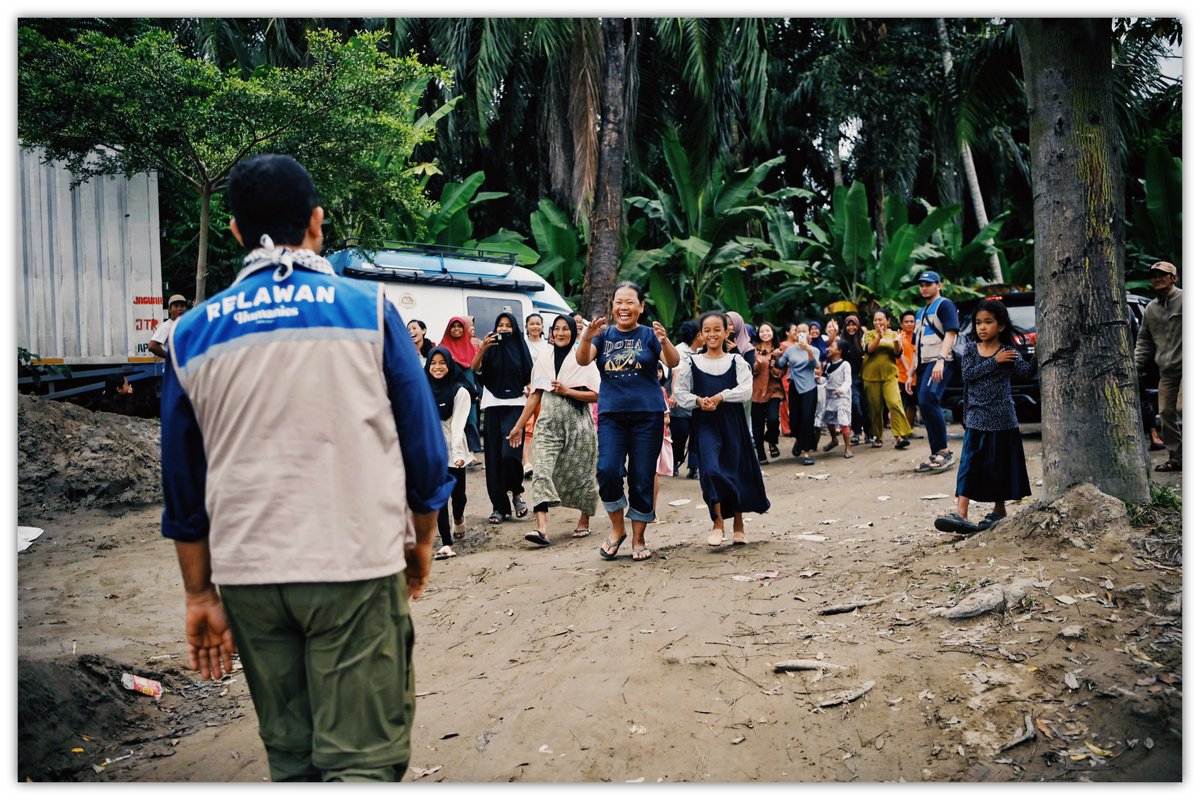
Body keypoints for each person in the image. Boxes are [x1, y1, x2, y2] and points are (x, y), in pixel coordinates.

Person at [160, 153, 453, 782]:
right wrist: (422, 539)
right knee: (362, 764)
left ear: (235, 232)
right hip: (352, 566)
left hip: (248, 578)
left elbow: (183, 486)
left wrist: (197, 594)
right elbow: (425, 450)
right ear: (317, 222)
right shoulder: (369, 310)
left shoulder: (190, 334)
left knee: (293, 760)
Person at [577, 282, 680, 562]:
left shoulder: (648, 335)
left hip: (648, 415)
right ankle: (618, 529)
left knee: (642, 476)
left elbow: (673, 360)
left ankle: (639, 538)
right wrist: (587, 337)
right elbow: (583, 360)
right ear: (613, 307)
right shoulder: (604, 334)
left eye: (630, 302)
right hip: (612, 415)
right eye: (618, 302)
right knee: (608, 470)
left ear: (641, 307)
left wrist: (665, 340)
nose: (624, 307)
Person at [934, 300, 1034, 534]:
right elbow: (968, 375)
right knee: (969, 464)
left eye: (988, 322)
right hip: (976, 416)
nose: (982, 327)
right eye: (979, 322)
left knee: (999, 465)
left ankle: (999, 511)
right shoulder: (970, 348)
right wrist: (994, 362)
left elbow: (1026, 372)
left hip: (1003, 418)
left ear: (1000, 326)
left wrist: (1038, 353)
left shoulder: (1008, 352)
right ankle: (961, 513)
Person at [674, 311, 769, 547]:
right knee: (710, 471)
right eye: (707, 330)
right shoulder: (691, 362)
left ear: (727, 333)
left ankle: (738, 524)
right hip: (705, 424)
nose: (712, 334)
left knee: (733, 471)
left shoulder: (736, 361)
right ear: (701, 334)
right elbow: (680, 392)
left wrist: (720, 396)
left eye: (718, 329)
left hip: (732, 423)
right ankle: (717, 523)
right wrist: (698, 401)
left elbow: (746, 390)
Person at [506, 314, 600, 546]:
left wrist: (568, 391)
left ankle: (584, 520)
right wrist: (518, 425)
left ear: (573, 332)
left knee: (583, 475)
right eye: (556, 329)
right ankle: (542, 529)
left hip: (578, 425)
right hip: (548, 424)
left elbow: (597, 394)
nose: (560, 333)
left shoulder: (583, 357)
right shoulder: (544, 358)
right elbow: (536, 394)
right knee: (541, 472)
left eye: (565, 329)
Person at [471, 312, 534, 524]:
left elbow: (529, 374)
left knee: (510, 456)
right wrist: (482, 349)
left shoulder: (520, 347)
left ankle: (516, 492)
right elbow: (475, 369)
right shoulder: (489, 347)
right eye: (500, 325)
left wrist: (529, 387)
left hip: (516, 407)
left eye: (508, 325)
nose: (504, 329)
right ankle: (499, 506)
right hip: (492, 407)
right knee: (494, 460)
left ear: (515, 328)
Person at [906, 270, 959, 472]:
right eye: (921, 285)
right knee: (924, 403)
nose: (924, 288)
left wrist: (941, 360)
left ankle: (944, 452)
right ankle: (936, 452)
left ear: (939, 285)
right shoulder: (920, 313)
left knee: (929, 399)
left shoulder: (944, 305)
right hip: (923, 364)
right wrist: (911, 372)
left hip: (940, 361)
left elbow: (951, 333)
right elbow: (916, 346)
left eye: (928, 284)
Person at [1134, 261, 1182, 472]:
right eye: (1154, 275)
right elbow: (1144, 341)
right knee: (1165, 412)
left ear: (1174, 278)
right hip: (1167, 371)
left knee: (1184, 408)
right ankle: (1177, 458)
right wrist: (1134, 367)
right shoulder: (1150, 309)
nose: (1157, 278)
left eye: (1162, 275)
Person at [425, 347, 471, 559]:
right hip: (433, 447)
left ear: (449, 364)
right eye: (433, 363)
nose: (437, 367)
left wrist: (458, 455)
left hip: (455, 445)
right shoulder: (422, 389)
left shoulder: (460, 391)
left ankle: (459, 518)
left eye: (442, 362)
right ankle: (446, 543)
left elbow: (458, 426)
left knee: (458, 496)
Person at [862, 309, 913, 449]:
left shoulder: (895, 334)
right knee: (876, 409)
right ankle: (877, 436)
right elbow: (869, 350)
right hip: (871, 376)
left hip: (890, 375)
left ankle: (899, 437)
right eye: (875, 320)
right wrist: (879, 337)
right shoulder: (868, 334)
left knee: (894, 403)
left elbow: (897, 354)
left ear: (888, 321)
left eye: (880, 319)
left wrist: (897, 342)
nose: (877, 322)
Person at [774, 327, 822, 465]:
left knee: (807, 418)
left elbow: (815, 365)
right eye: (798, 331)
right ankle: (800, 440)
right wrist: (777, 356)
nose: (801, 333)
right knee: (794, 421)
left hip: (809, 387)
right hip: (794, 386)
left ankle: (806, 452)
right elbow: (780, 364)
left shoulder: (814, 350)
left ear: (808, 335)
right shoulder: (790, 350)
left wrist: (808, 350)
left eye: (804, 331)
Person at [438, 316, 483, 456]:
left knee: (469, 419)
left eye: (459, 327)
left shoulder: (471, 348)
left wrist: (479, 392)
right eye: (453, 326)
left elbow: (476, 372)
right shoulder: (442, 348)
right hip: (449, 391)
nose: (456, 329)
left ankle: (471, 452)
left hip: (468, 391)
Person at [669, 320, 703, 479]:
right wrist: (675, 394)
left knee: (697, 434)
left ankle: (694, 467)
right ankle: (675, 462)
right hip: (681, 399)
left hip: (699, 398)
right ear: (698, 335)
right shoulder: (679, 350)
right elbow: (676, 373)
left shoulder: (703, 350)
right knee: (680, 433)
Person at [521, 313, 552, 477]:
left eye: (538, 324)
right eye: (531, 324)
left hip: (544, 391)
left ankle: (541, 462)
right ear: (526, 327)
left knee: (542, 427)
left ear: (542, 327)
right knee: (527, 427)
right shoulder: (522, 345)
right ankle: (526, 462)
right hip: (525, 391)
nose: (535, 327)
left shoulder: (548, 346)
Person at [751, 323, 785, 462]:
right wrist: (756, 362)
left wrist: (774, 363)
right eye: (762, 331)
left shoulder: (780, 350)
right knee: (757, 425)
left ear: (773, 332)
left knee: (772, 419)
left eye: (768, 330)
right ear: (759, 334)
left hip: (773, 390)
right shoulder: (753, 350)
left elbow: (781, 372)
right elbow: (752, 370)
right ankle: (761, 454)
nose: (765, 333)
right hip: (756, 391)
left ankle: (771, 439)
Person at [819, 337, 854, 458]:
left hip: (842, 397)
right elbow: (824, 378)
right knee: (829, 419)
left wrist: (841, 389)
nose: (829, 348)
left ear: (839, 350)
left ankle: (847, 446)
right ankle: (834, 439)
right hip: (830, 396)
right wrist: (819, 379)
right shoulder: (828, 365)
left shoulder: (845, 365)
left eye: (832, 346)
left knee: (844, 422)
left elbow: (848, 381)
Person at [839, 315, 868, 444]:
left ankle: (869, 432)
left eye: (853, 324)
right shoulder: (843, 341)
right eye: (848, 325)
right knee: (855, 404)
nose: (851, 328)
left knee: (867, 405)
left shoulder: (864, 339)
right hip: (850, 378)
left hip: (866, 376)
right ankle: (857, 432)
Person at [896, 310, 920, 434]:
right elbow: (901, 355)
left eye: (912, 321)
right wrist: (908, 372)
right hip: (901, 377)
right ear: (901, 324)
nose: (910, 324)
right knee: (903, 405)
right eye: (906, 322)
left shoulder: (917, 337)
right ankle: (901, 432)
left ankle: (908, 431)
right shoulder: (899, 337)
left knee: (912, 404)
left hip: (915, 378)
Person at [148, 294, 189, 358]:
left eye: (182, 306)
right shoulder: (166, 326)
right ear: (169, 309)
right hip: (172, 367)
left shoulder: (186, 324)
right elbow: (152, 346)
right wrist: (171, 358)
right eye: (176, 306)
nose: (179, 309)